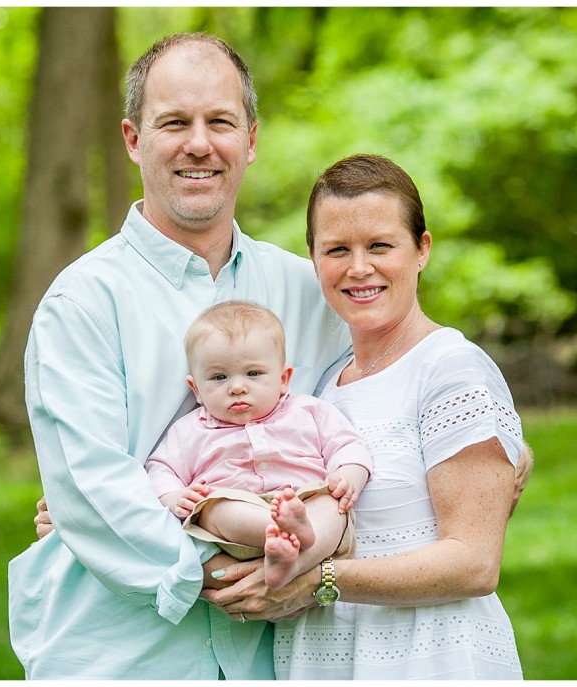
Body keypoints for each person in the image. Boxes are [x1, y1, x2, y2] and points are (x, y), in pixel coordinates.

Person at [7, 33, 354, 679]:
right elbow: (92, 487)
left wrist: (476, 432)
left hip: (271, 664)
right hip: (123, 657)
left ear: (250, 140)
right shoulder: (82, 301)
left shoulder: (307, 292)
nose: (200, 143)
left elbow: (380, 404)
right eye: (174, 122)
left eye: (220, 121)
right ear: (134, 139)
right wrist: (228, 570)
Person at [202, 153, 526, 679]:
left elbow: (474, 563)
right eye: (337, 249)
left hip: (431, 659)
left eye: (380, 245)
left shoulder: (450, 368)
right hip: (324, 662)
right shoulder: (319, 387)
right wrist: (110, 508)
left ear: (421, 250)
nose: (358, 268)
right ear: (313, 259)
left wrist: (320, 580)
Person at [145, 300, 373, 590]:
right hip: (240, 524)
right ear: (196, 390)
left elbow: (347, 443)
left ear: (283, 379)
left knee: (333, 504)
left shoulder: (308, 411)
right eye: (219, 377)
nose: (237, 387)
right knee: (214, 509)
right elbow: (160, 467)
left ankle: (293, 555)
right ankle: (278, 535)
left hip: (303, 503)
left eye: (253, 374)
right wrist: (173, 496)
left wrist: (350, 473)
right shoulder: (191, 429)